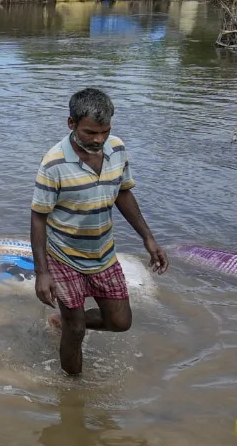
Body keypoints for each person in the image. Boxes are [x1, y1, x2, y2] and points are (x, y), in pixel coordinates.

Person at [29, 87, 168, 377]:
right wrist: (42, 272)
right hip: (63, 255)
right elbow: (39, 217)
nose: (99, 140)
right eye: (91, 132)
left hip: (102, 253)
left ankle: (62, 321)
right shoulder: (53, 163)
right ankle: (73, 397)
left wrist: (148, 238)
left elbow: (123, 194)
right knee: (77, 330)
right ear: (72, 124)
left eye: (105, 131)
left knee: (120, 321)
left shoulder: (116, 149)